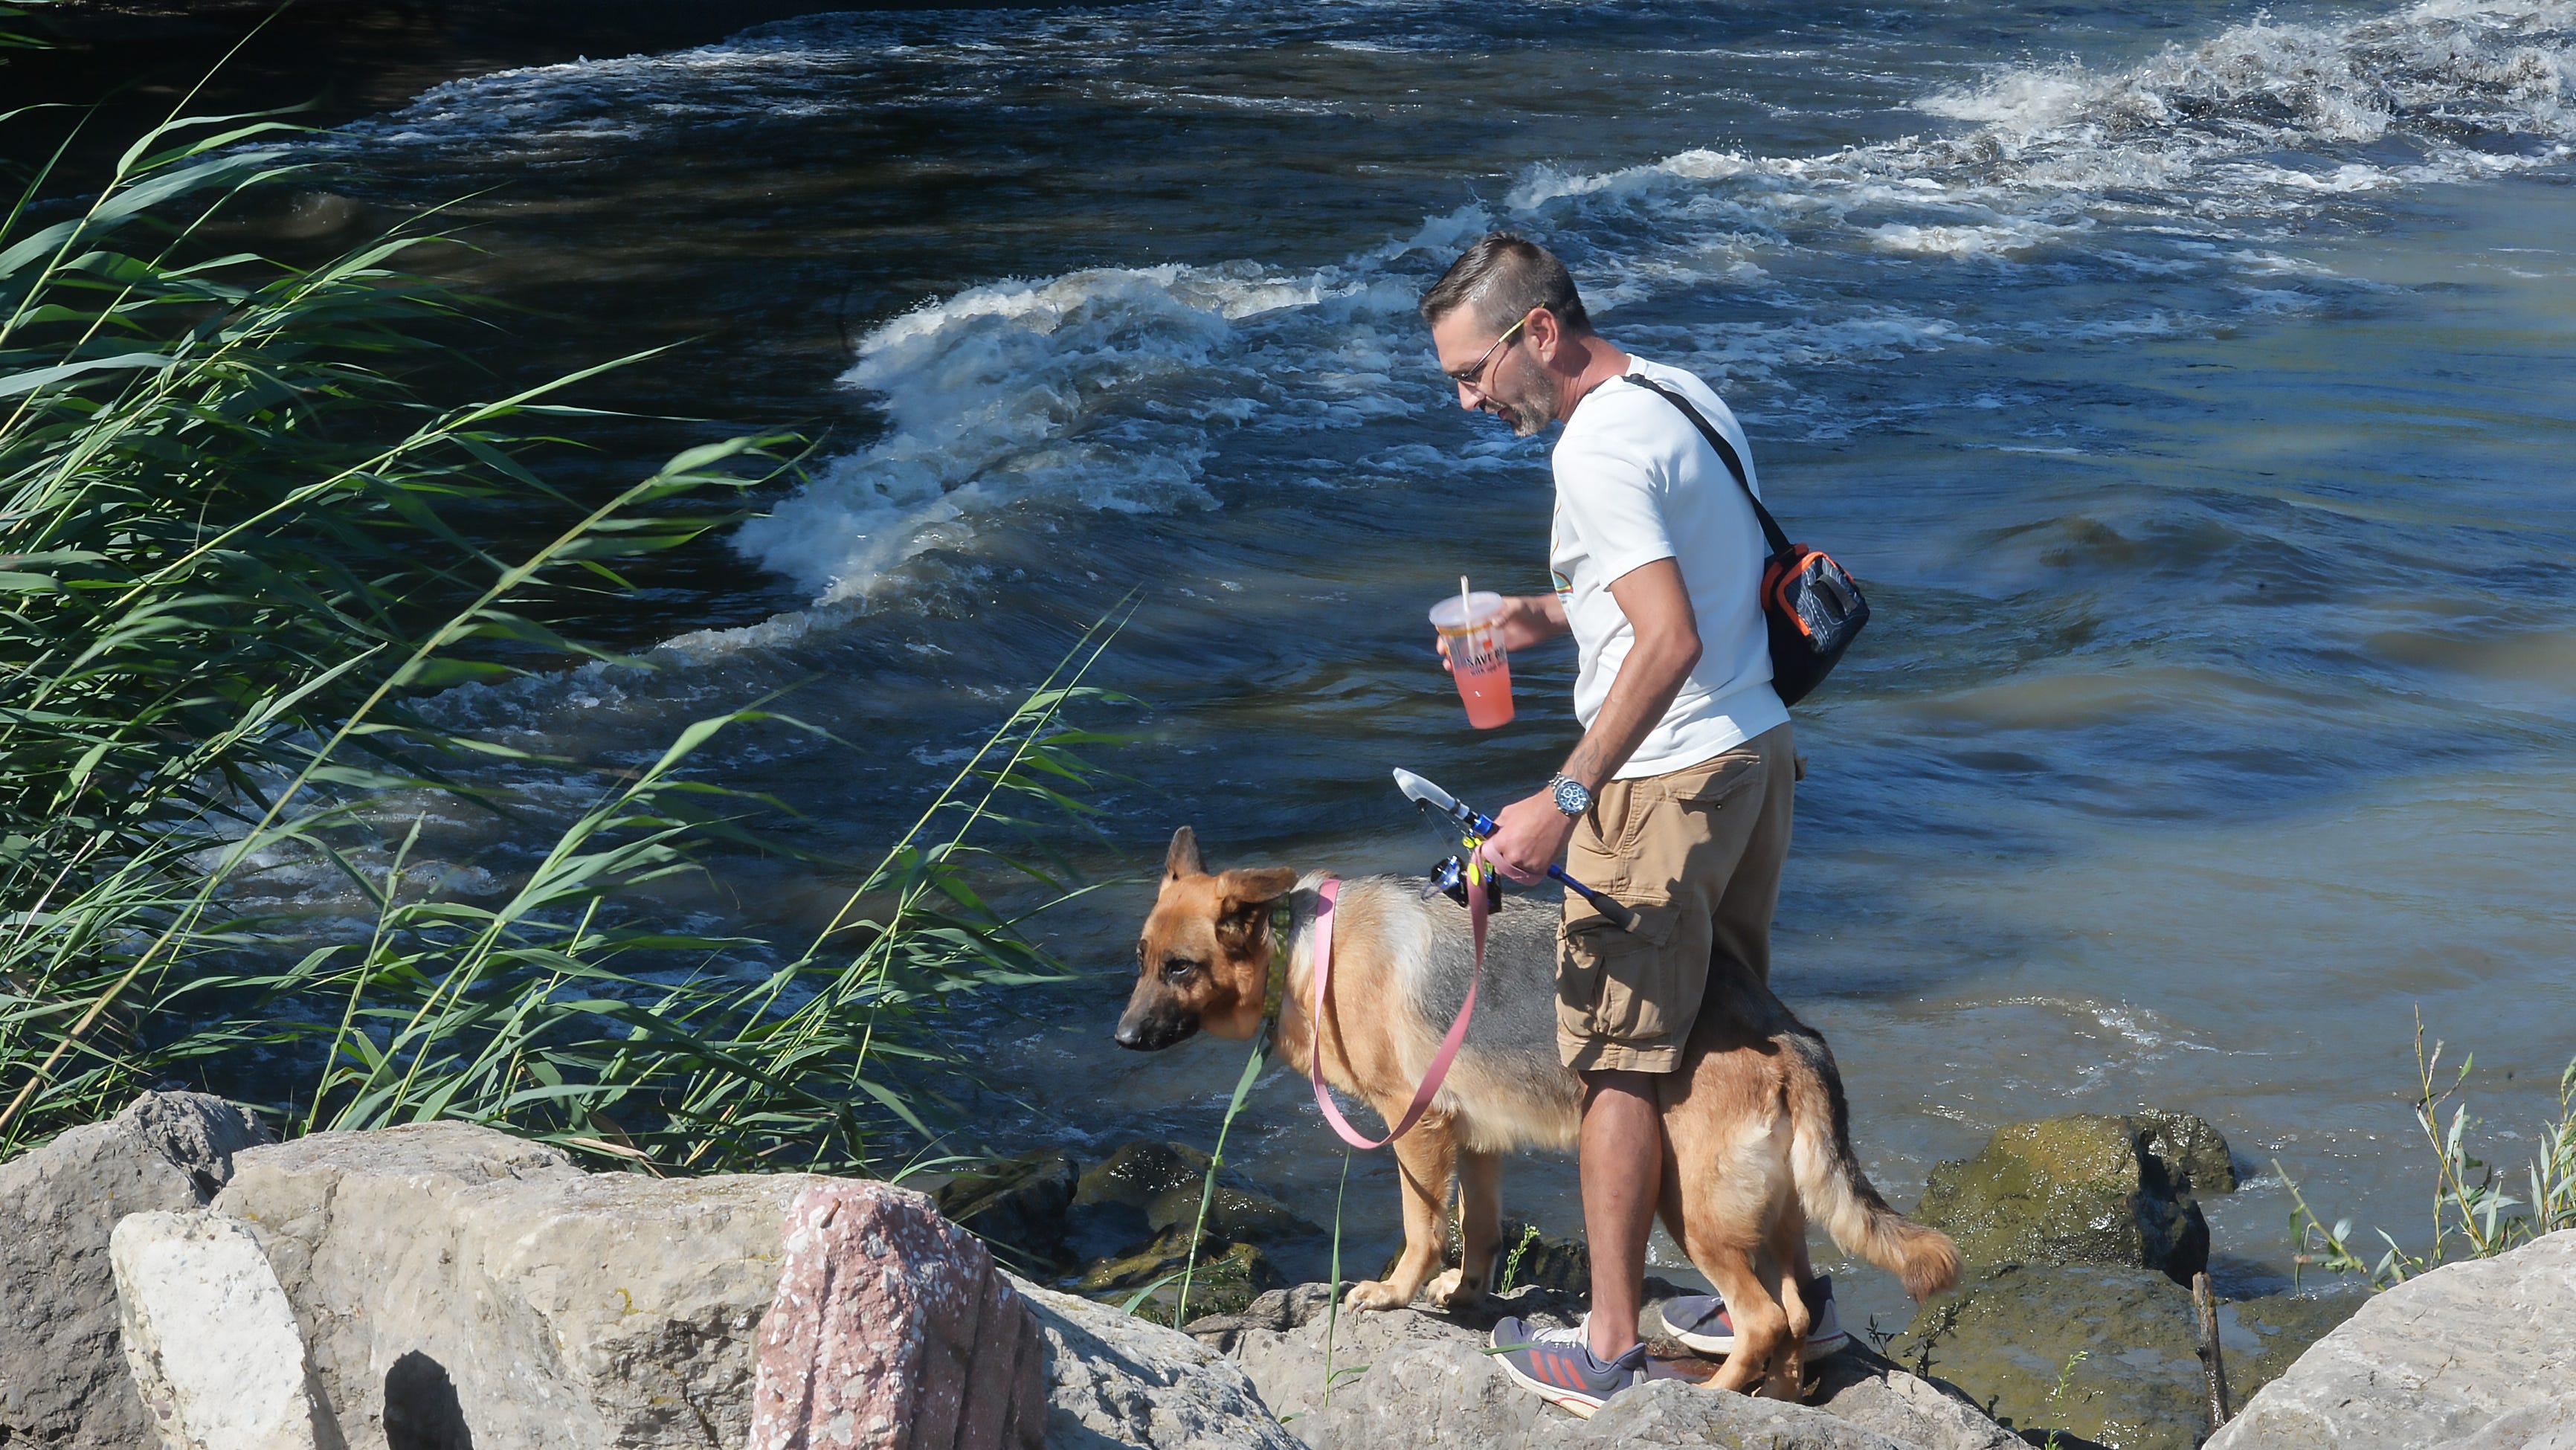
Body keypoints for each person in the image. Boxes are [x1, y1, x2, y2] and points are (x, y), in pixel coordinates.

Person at [1418, 233, 1815, 1411]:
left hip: (1660, 787)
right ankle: (1786, 1296)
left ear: (1538, 331)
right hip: (1753, 755)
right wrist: (1537, 616)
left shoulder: (1591, 450)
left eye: (1472, 372)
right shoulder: (1676, 390)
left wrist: (1565, 797)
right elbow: (1682, 589)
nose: (1467, 400)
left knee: (1616, 1060)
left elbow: (1668, 638)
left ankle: (1603, 1346)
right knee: (1732, 1035)